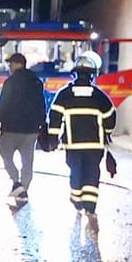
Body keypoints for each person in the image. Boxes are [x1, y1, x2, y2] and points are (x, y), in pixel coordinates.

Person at [46, 50, 116, 215]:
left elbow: (54, 116)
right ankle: (90, 207)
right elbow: (110, 117)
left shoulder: (64, 95)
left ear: (75, 75)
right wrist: (107, 132)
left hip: (73, 145)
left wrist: (53, 137)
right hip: (95, 146)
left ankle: (77, 200)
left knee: (75, 172)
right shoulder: (100, 97)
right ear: (92, 76)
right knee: (92, 174)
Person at [0, 50, 46, 201]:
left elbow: (4, 103)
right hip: (31, 130)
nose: (9, 67)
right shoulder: (36, 82)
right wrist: (42, 124)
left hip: (11, 128)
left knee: (5, 152)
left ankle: (16, 182)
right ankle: (24, 189)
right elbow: (41, 105)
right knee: (27, 160)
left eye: (11, 64)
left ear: (18, 64)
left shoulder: (10, 82)